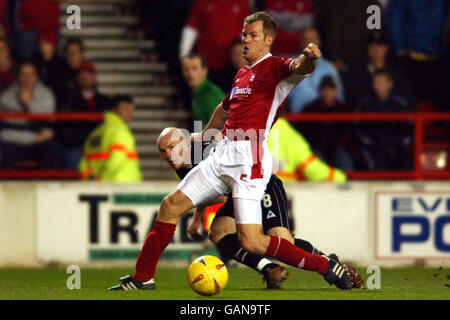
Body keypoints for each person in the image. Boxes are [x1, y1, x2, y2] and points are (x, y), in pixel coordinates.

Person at [109, 11, 354, 291]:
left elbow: (299, 66)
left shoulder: (275, 69)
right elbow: (223, 110)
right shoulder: (242, 74)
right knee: (170, 205)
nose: (245, 41)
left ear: (268, 40)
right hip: (221, 156)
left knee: (252, 241)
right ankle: (142, 278)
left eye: (252, 36)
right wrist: (203, 135)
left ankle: (325, 266)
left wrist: (309, 56)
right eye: (244, 35)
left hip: (249, 161)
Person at [148, 127, 359, 290]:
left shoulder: (201, 150)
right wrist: (197, 217)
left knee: (284, 244)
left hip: (261, 184)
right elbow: (205, 190)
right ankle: (269, 269)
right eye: (163, 151)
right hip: (239, 192)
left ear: (184, 142)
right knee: (219, 232)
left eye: (172, 147)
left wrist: (195, 213)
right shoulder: (182, 162)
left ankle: (327, 262)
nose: (168, 155)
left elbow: (216, 193)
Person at [385, 0, 447, 109]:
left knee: (438, 105)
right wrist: (399, 50)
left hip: (437, 56)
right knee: (410, 102)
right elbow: (394, 20)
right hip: (411, 56)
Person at [0, 61, 59, 169]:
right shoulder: (5, 98)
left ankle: (45, 185)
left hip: (39, 144)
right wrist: (33, 138)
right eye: (23, 74)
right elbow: (4, 133)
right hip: (15, 143)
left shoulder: (47, 95)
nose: (27, 79)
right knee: (4, 152)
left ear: (36, 77)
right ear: (18, 77)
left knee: (52, 149)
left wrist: (29, 105)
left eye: (31, 75)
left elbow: (49, 127)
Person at [355, 69, 413, 170]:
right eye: (376, 82)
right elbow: (358, 128)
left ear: (389, 84)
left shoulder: (401, 104)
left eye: (382, 82)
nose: (379, 85)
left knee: (404, 164)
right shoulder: (365, 104)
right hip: (373, 148)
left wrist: (397, 144)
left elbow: (409, 129)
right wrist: (373, 143)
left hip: (397, 147)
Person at [56, 61, 110, 169]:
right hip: (76, 148)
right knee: (73, 159)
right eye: (81, 74)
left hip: (100, 147)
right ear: (77, 78)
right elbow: (65, 129)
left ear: (94, 77)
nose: (85, 78)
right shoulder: (67, 100)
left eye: (88, 74)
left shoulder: (105, 101)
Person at [78, 95, 141, 182]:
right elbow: (116, 160)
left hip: (97, 188)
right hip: (122, 187)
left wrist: (91, 181)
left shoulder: (95, 133)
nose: (131, 114)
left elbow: (84, 162)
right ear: (113, 110)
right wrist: (103, 182)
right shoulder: (120, 131)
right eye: (126, 109)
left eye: (132, 110)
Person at [344, 31, 415, 106]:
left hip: (392, 115)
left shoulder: (397, 72)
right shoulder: (357, 71)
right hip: (366, 115)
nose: (375, 48)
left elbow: (409, 99)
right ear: (367, 47)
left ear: (386, 47)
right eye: (371, 44)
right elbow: (351, 99)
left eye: (380, 44)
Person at [300, 76, 355, 171]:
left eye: (331, 89)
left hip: (338, 148)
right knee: (315, 167)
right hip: (317, 148)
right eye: (324, 90)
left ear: (336, 91)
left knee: (346, 164)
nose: (328, 93)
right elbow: (304, 132)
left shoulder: (343, 109)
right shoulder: (311, 109)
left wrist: (338, 143)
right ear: (320, 91)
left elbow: (349, 132)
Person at [268, 117, 348, 180]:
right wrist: (339, 177)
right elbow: (311, 168)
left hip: (257, 192)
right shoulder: (286, 132)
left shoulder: (257, 129)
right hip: (281, 192)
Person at [179, 0, 250, 72]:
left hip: (230, 61)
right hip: (204, 59)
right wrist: (184, 55)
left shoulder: (241, 3)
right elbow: (191, 29)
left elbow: (245, 31)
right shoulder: (202, 2)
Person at [285, 28, 344, 113]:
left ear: (319, 42)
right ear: (301, 43)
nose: (311, 44)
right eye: (307, 40)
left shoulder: (329, 68)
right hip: (297, 121)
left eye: (313, 40)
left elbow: (339, 97)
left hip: (324, 121)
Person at [181, 54, 225, 128]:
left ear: (204, 71)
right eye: (186, 69)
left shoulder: (212, 94)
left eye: (194, 68)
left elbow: (218, 127)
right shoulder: (196, 93)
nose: (190, 73)